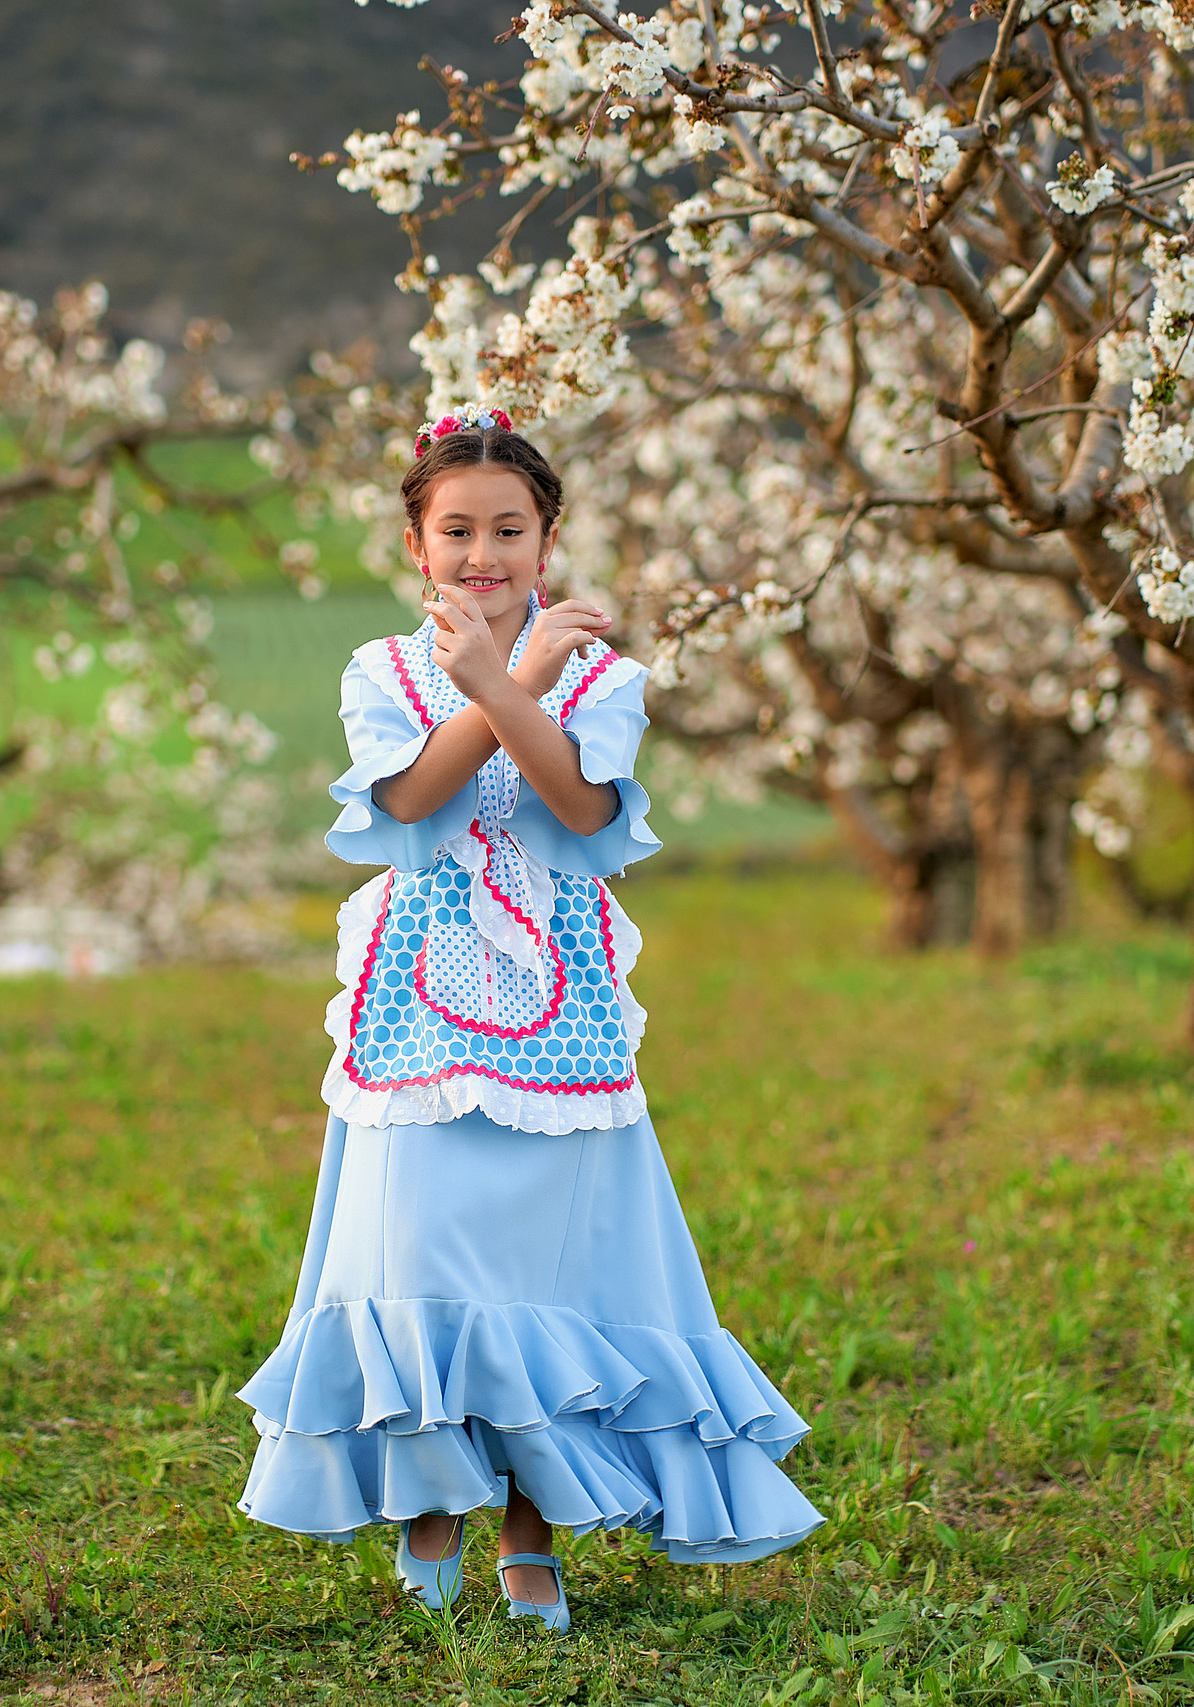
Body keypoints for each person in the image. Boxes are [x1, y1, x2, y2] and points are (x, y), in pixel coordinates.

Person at [234, 407, 820, 1630]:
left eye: (509, 528)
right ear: (416, 543)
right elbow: (409, 803)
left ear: (547, 539)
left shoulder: (605, 677)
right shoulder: (379, 674)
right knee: (413, 1253)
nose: (483, 553)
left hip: (564, 1012)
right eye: (457, 530)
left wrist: (513, 679)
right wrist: (492, 683)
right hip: (415, 1005)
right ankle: (428, 1508)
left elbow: (583, 815)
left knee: (550, 1268)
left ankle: (530, 1534)